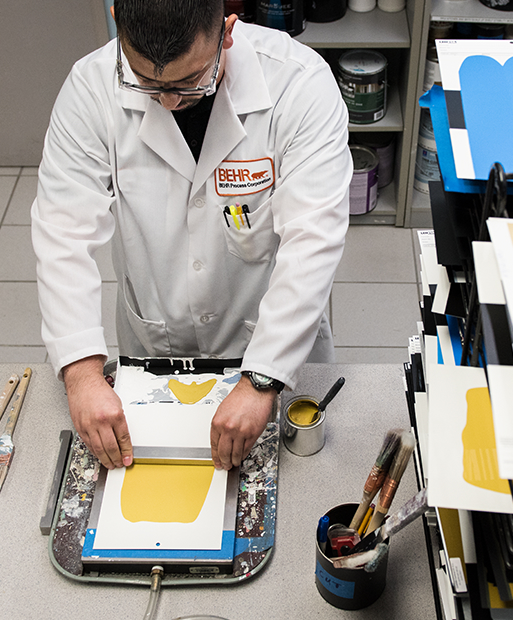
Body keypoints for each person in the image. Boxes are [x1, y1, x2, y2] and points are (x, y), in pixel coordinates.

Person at [31, 0, 352, 472]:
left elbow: (314, 240)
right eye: (146, 82)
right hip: (155, 341)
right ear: (119, 24)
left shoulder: (300, 85)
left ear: (226, 32)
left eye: (188, 82)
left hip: (268, 336)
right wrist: (81, 373)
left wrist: (263, 378)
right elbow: (62, 232)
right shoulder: (89, 89)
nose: (167, 101)